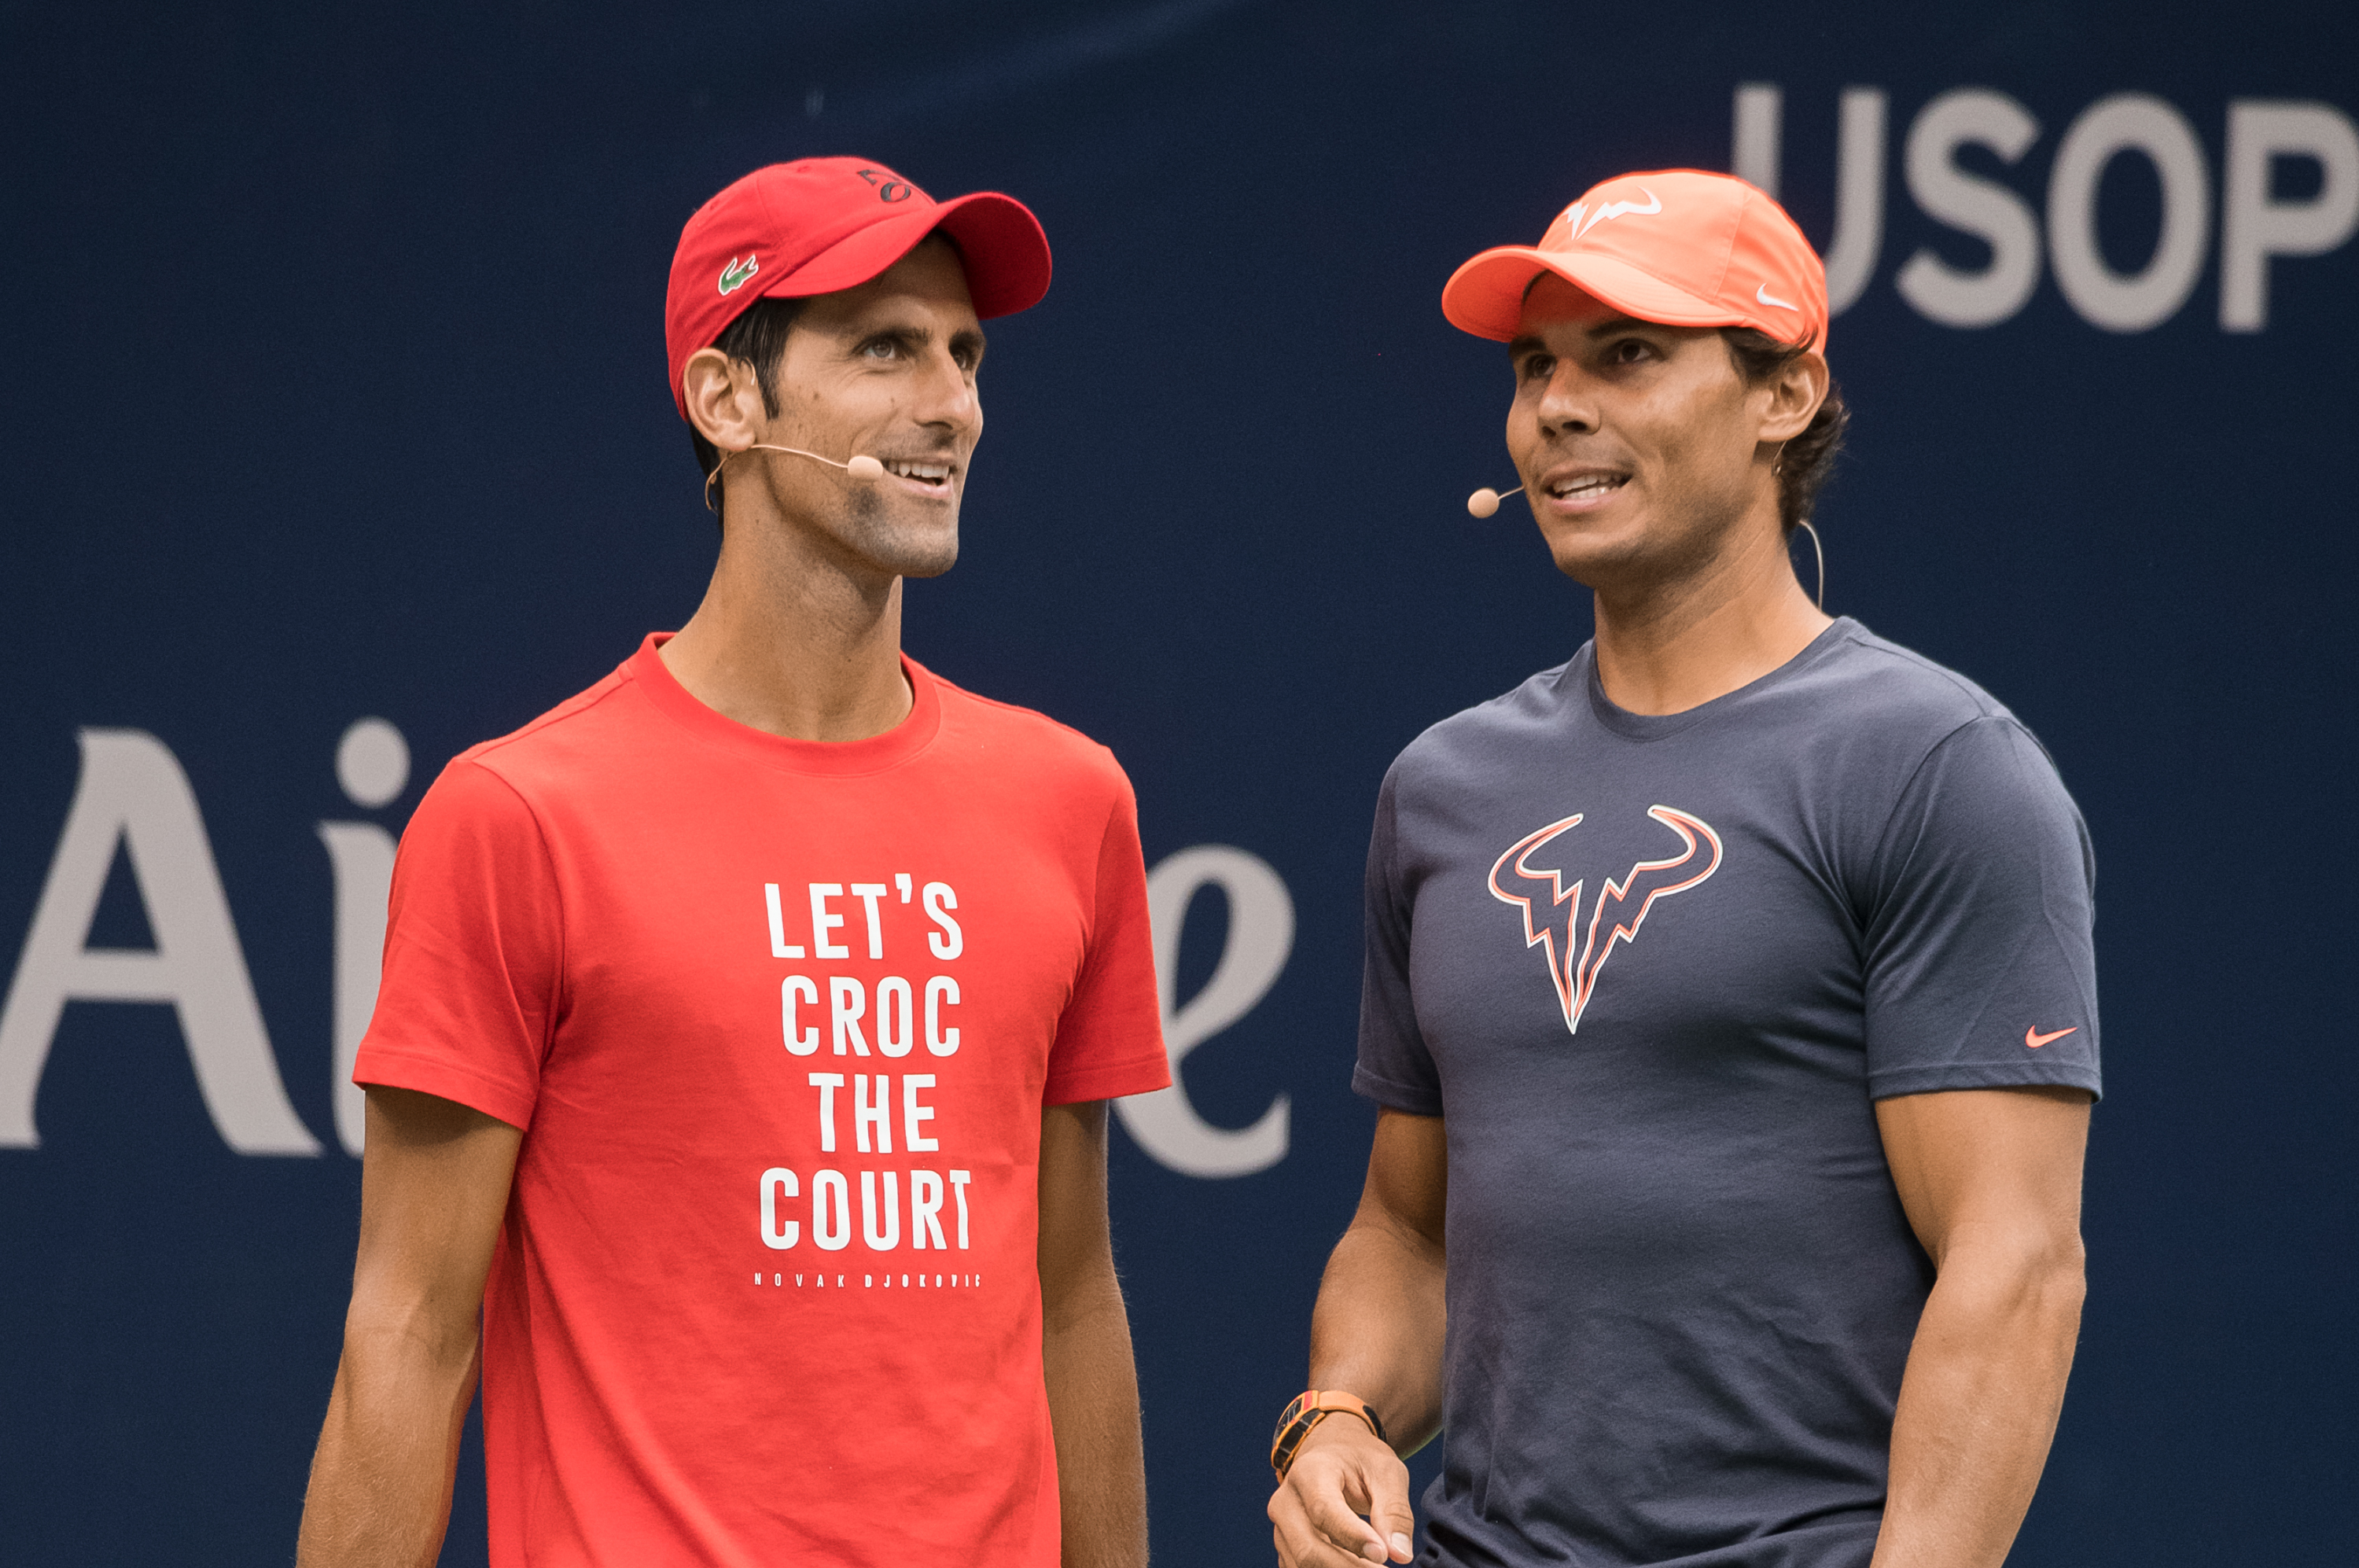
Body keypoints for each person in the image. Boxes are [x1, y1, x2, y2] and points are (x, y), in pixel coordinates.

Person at [296, 157, 1171, 1568]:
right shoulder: (520, 814)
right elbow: (408, 1335)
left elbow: (1073, 1298)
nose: (950, 402)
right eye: (884, 346)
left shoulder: (1070, 801)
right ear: (726, 399)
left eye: (964, 353)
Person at [1267, 170, 2099, 1568]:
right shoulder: (1443, 789)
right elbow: (1408, 1231)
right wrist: (1340, 1417)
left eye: (1629, 356)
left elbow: (2014, 1270)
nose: (1559, 408)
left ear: (1784, 395)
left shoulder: (1938, 763)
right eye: (1536, 367)